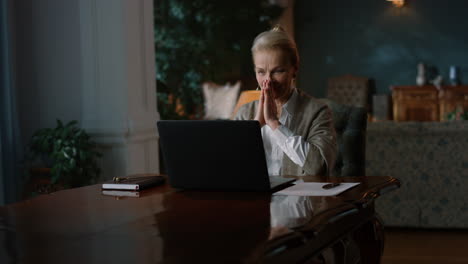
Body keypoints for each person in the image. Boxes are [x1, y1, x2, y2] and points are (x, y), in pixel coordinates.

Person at [234, 25, 337, 176]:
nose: (268, 81)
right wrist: (254, 127)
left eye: (278, 71)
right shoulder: (245, 112)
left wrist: (274, 123)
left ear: (294, 69)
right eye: (261, 72)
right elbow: (231, 167)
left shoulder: (318, 112)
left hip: (301, 199)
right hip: (257, 199)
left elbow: (319, 168)